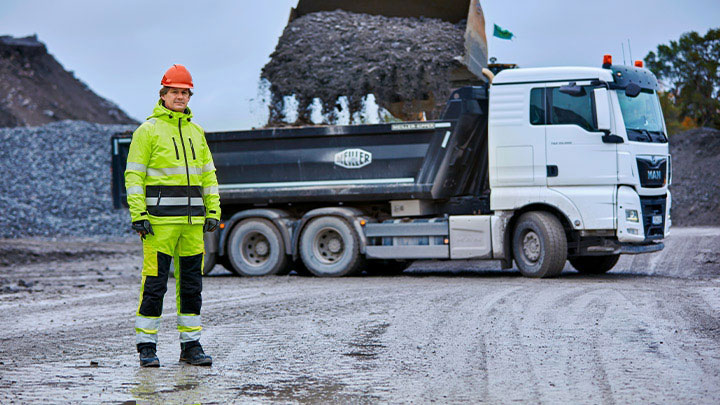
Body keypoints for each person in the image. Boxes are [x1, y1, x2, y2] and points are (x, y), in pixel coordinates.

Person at [124, 64, 221, 367]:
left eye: (184, 92)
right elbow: (134, 177)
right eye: (174, 91)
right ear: (163, 94)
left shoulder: (196, 132)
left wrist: (213, 209)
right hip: (158, 226)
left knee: (192, 286)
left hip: (192, 226)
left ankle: (190, 346)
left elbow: (209, 176)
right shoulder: (147, 131)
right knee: (155, 285)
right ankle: (147, 347)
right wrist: (138, 215)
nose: (180, 96)